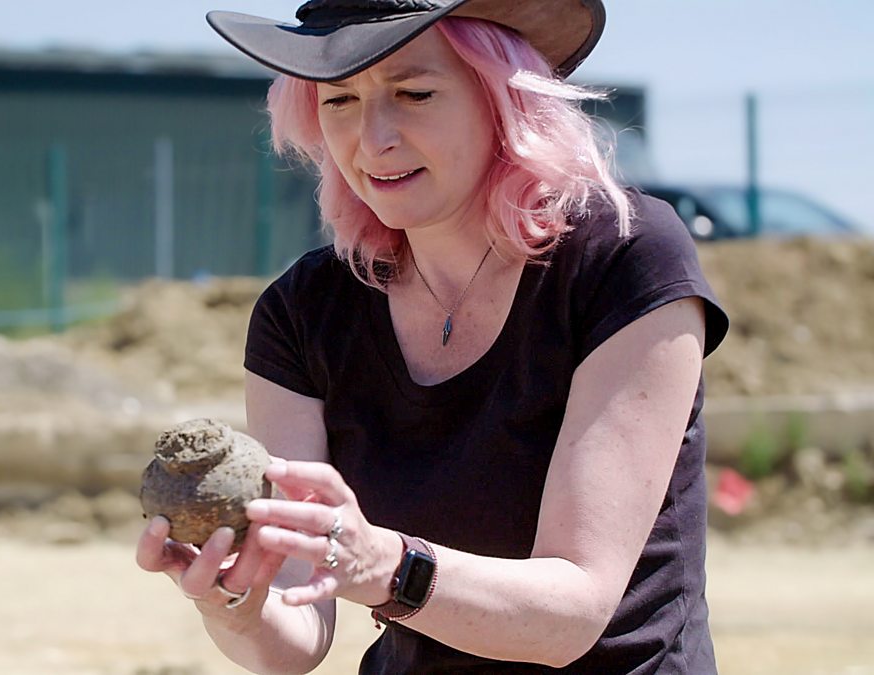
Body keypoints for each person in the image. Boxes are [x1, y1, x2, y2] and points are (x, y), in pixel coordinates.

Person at [136, 1, 730, 672]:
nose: (371, 138)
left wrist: (383, 564)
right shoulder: (302, 312)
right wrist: (232, 599)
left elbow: (572, 614)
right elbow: (297, 628)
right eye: (339, 101)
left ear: (502, 97)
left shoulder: (624, 258)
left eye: (414, 93)